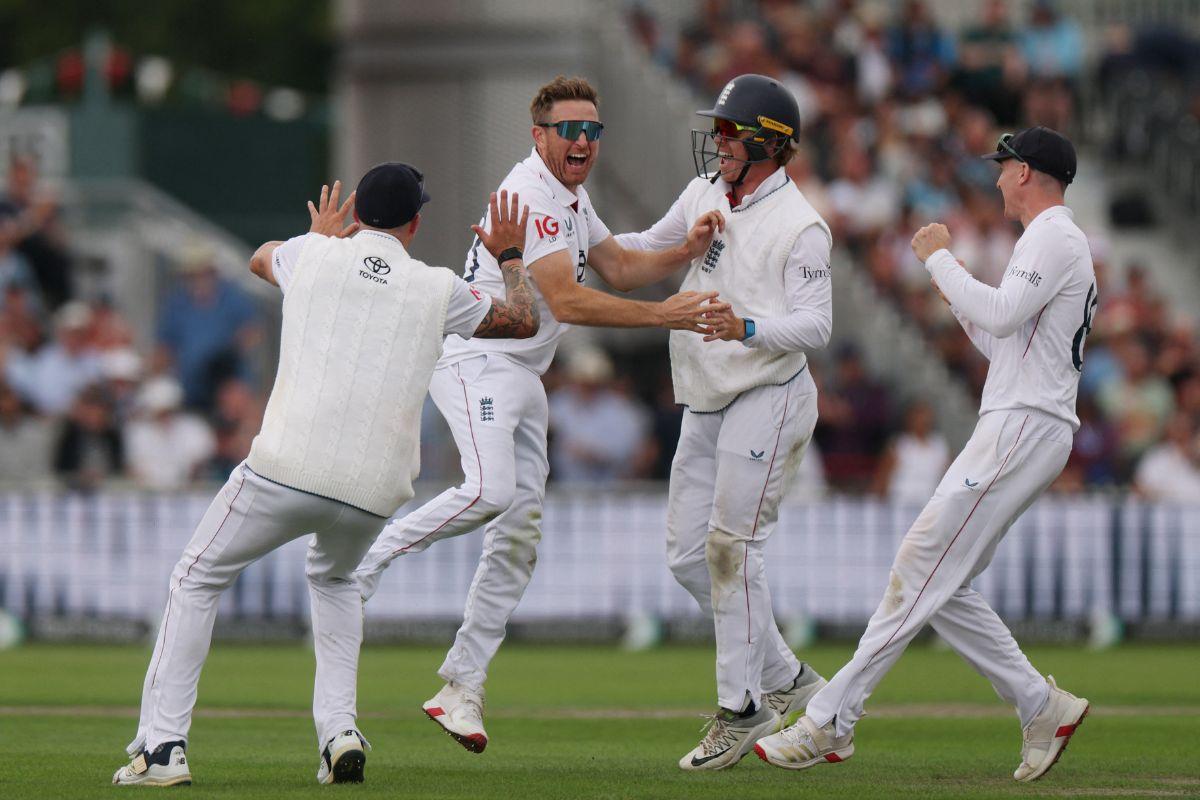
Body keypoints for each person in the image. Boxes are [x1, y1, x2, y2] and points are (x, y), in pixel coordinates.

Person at [111, 165, 539, 787]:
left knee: (196, 577)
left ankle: (163, 749)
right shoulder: (439, 287)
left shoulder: (312, 254)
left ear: (355, 211)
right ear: (415, 223)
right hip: (373, 492)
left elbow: (261, 258)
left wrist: (318, 238)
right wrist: (512, 257)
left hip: (285, 468)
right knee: (336, 581)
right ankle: (339, 732)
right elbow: (522, 320)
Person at [351, 75, 724, 754]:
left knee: (518, 538)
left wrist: (681, 254)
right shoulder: (531, 193)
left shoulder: (570, 197)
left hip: (522, 372)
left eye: (593, 130)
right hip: (473, 358)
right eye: (570, 130)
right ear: (539, 135)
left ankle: (461, 685)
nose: (583, 141)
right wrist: (665, 314)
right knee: (492, 493)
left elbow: (614, 266)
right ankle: (365, 563)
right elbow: (570, 300)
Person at [756, 126, 1097, 783]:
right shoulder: (1056, 241)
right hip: (1024, 422)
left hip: (1023, 425)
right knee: (942, 581)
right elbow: (1005, 341)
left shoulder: (1053, 235)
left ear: (1026, 172)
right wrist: (950, 290)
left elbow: (999, 316)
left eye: (1004, 169)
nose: (997, 180)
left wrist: (942, 259)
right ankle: (1038, 704)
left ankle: (829, 720)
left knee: (919, 565)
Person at [612, 73, 834, 770]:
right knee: (687, 557)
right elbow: (647, 245)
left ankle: (741, 709)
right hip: (707, 392)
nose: (718, 142)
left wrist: (745, 325)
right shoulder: (707, 192)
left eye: (731, 133)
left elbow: (817, 325)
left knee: (729, 549)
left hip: (769, 392)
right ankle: (787, 676)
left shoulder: (802, 226)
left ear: (769, 145)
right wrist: (575, 240)